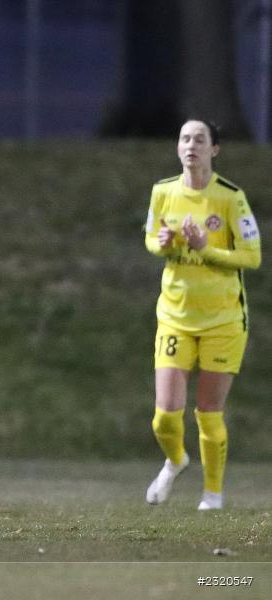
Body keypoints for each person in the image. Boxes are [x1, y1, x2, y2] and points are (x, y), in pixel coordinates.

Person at [143, 119, 261, 510]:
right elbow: (151, 237)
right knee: (164, 417)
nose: (191, 145)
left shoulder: (231, 197)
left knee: (209, 413)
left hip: (223, 320)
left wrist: (205, 248)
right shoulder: (163, 191)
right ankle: (175, 460)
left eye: (199, 139)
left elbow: (251, 257)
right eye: (184, 138)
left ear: (214, 149)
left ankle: (212, 494)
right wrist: (162, 244)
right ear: (178, 148)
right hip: (175, 316)